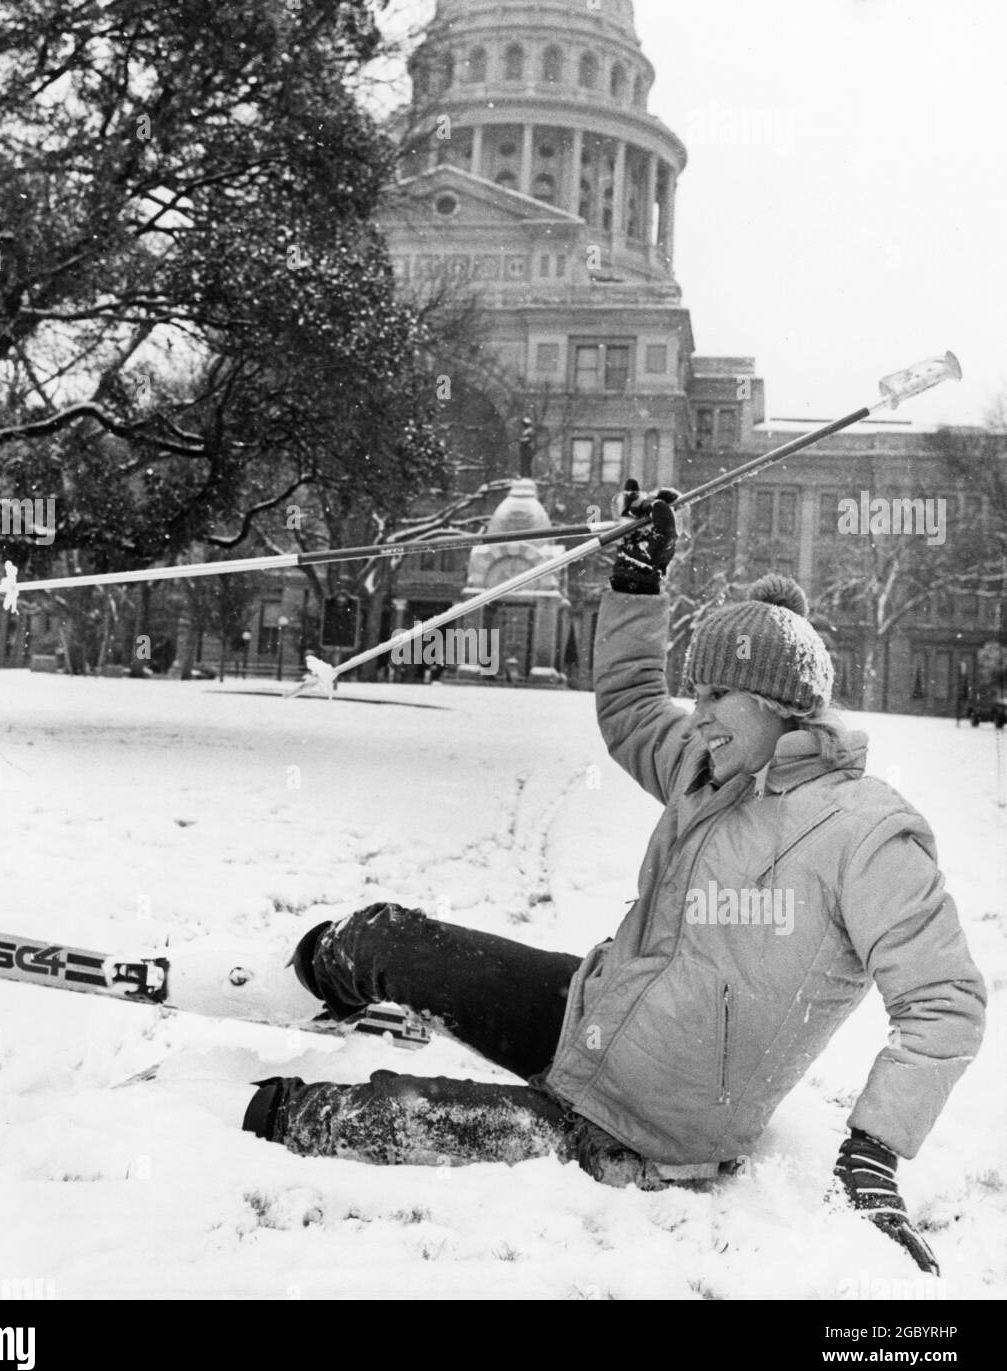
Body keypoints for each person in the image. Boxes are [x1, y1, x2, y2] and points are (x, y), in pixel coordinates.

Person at [199, 484, 985, 1274]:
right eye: (698, 692)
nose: (697, 712)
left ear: (779, 706)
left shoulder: (865, 832)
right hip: (592, 1016)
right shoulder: (710, 766)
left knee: (307, 1115)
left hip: (644, 1128)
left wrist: (874, 1150)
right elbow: (633, 706)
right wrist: (635, 583)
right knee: (379, 935)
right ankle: (305, 975)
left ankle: (199, 1116)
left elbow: (944, 1002)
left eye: (716, 695)